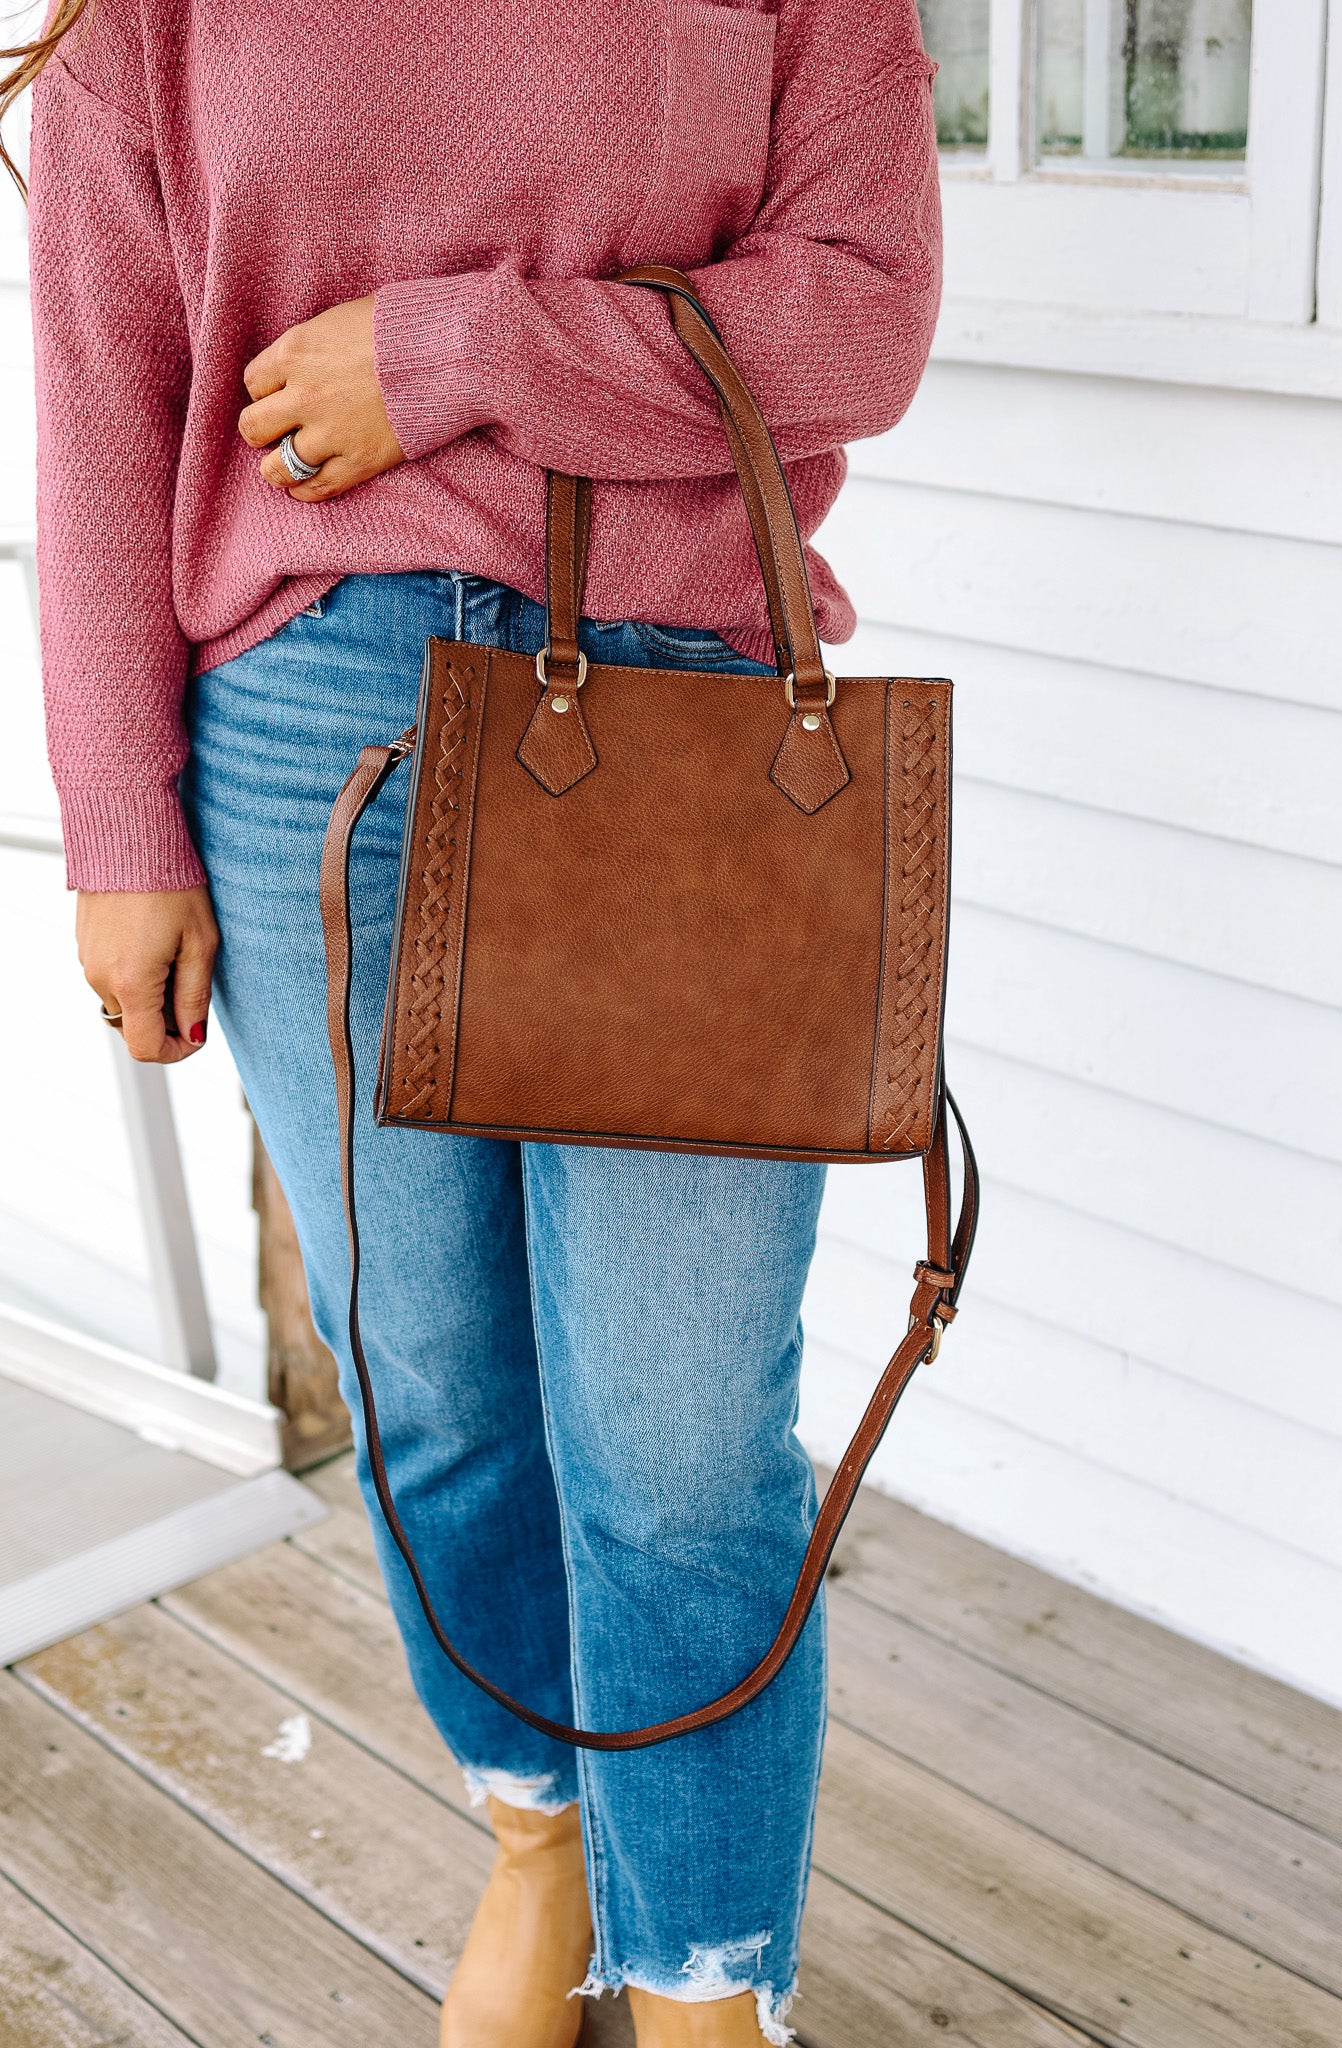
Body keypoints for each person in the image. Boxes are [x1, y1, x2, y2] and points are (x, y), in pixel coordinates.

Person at [9, 0, 942, 2039]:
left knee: (682, 1442)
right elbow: (100, 395)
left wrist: (455, 352)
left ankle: (698, 1968)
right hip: (306, 742)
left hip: (693, 736)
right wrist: (114, 821)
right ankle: (535, 1836)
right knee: (430, 1393)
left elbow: (856, 319)